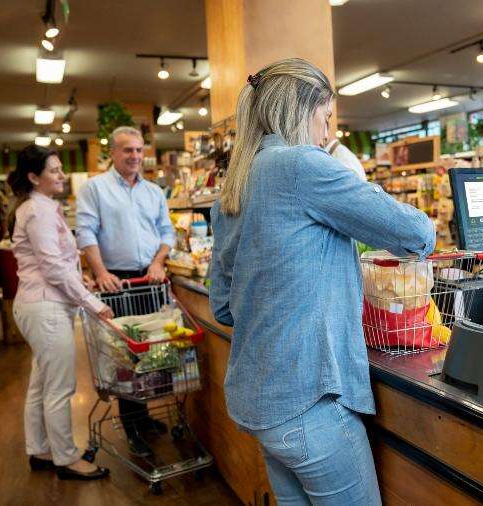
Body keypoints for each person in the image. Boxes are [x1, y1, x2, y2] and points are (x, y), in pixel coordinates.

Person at [209, 58, 434, 505]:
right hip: (309, 400)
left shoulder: (233, 185)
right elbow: (417, 234)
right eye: (326, 117)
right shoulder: (301, 166)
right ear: (304, 109)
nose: (327, 132)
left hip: (261, 402)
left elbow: (223, 308)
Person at [9, 145, 111, 481]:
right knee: (60, 387)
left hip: (41, 304)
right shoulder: (37, 211)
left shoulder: (39, 207)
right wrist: (93, 302)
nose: (61, 175)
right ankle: (66, 459)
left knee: (42, 384)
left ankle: (39, 449)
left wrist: (76, 273)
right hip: (46, 308)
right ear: (33, 177)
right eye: (53, 170)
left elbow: (53, 262)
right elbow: (52, 268)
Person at [75, 126, 176, 457]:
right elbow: (86, 232)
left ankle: (143, 415)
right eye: (127, 150)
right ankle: (130, 423)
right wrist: (100, 271)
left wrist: (159, 262)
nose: (134, 156)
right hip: (116, 282)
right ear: (113, 153)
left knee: (152, 352)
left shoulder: (153, 192)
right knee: (124, 356)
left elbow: (166, 232)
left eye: (138, 150)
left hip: (149, 279)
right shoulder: (96, 189)